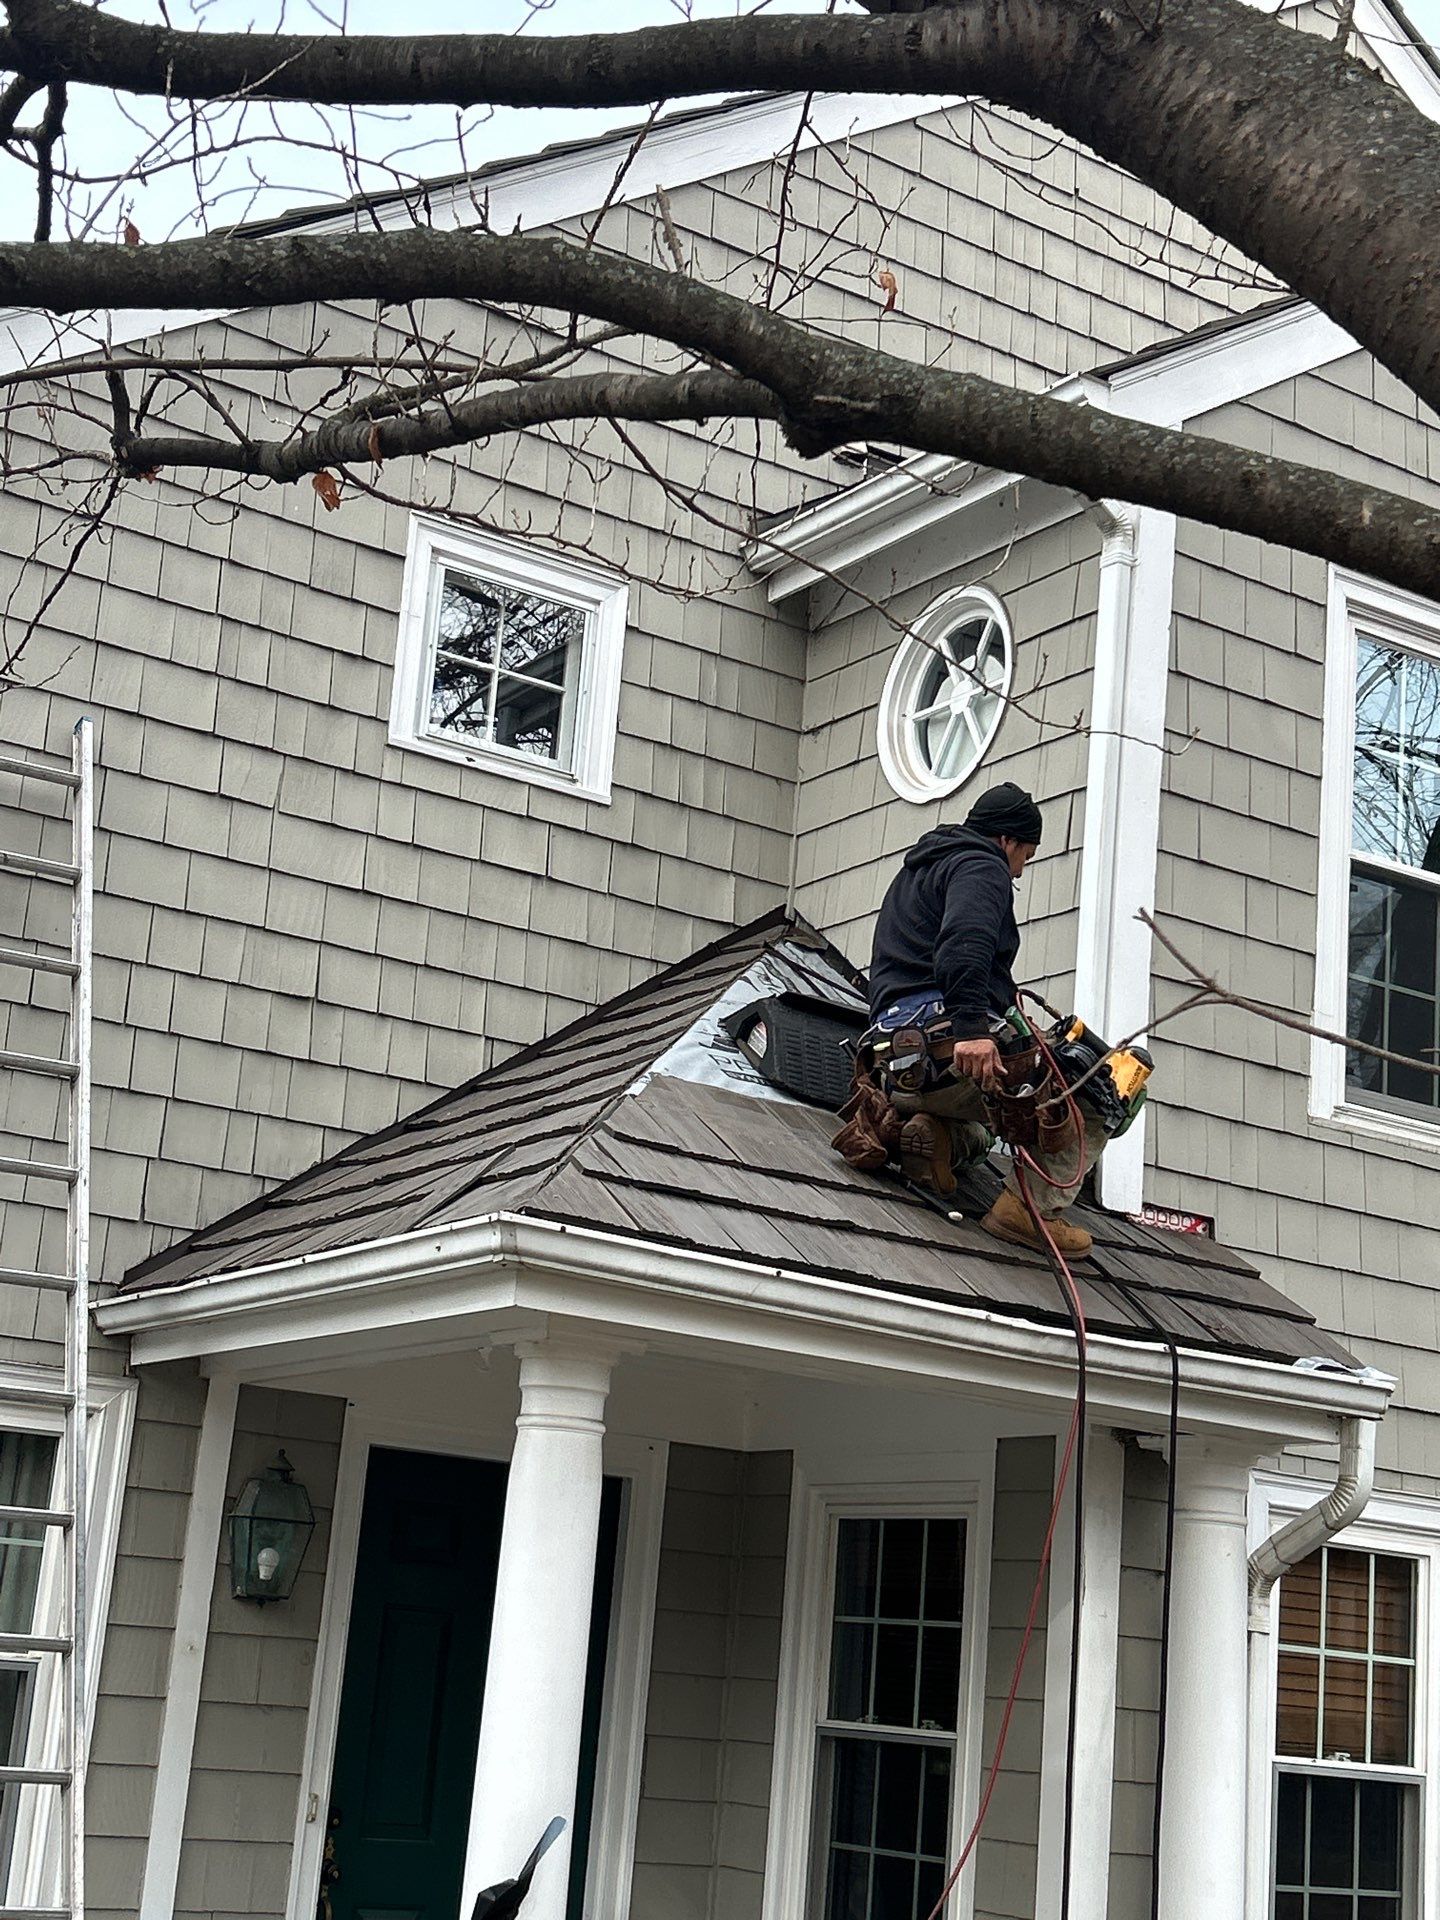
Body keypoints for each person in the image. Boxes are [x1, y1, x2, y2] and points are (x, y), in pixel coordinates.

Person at [867, 780, 1106, 1255]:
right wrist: (974, 1031)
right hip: (946, 1051)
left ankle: (932, 1136)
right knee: (1103, 1085)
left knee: (981, 1133)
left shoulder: (920, 870)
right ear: (1007, 840)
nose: (1018, 871)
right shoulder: (982, 865)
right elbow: (965, 944)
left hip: (894, 1064)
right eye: (1025, 857)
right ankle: (1030, 1211)